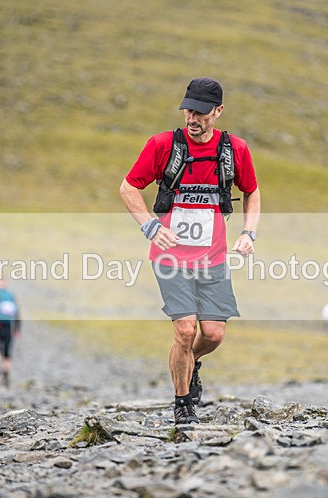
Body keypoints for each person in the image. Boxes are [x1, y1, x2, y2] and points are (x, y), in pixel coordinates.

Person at [119, 77, 260, 425]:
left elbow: (252, 191)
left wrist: (249, 234)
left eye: (200, 112)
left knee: (212, 333)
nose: (191, 118)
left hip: (213, 258)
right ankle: (183, 405)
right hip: (170, 258)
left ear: (218, 112)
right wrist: (150, 226)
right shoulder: (162, 145)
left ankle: (189, 362)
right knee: (184, 330)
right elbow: (128, 187)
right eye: (187, 110)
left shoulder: (234, 150)